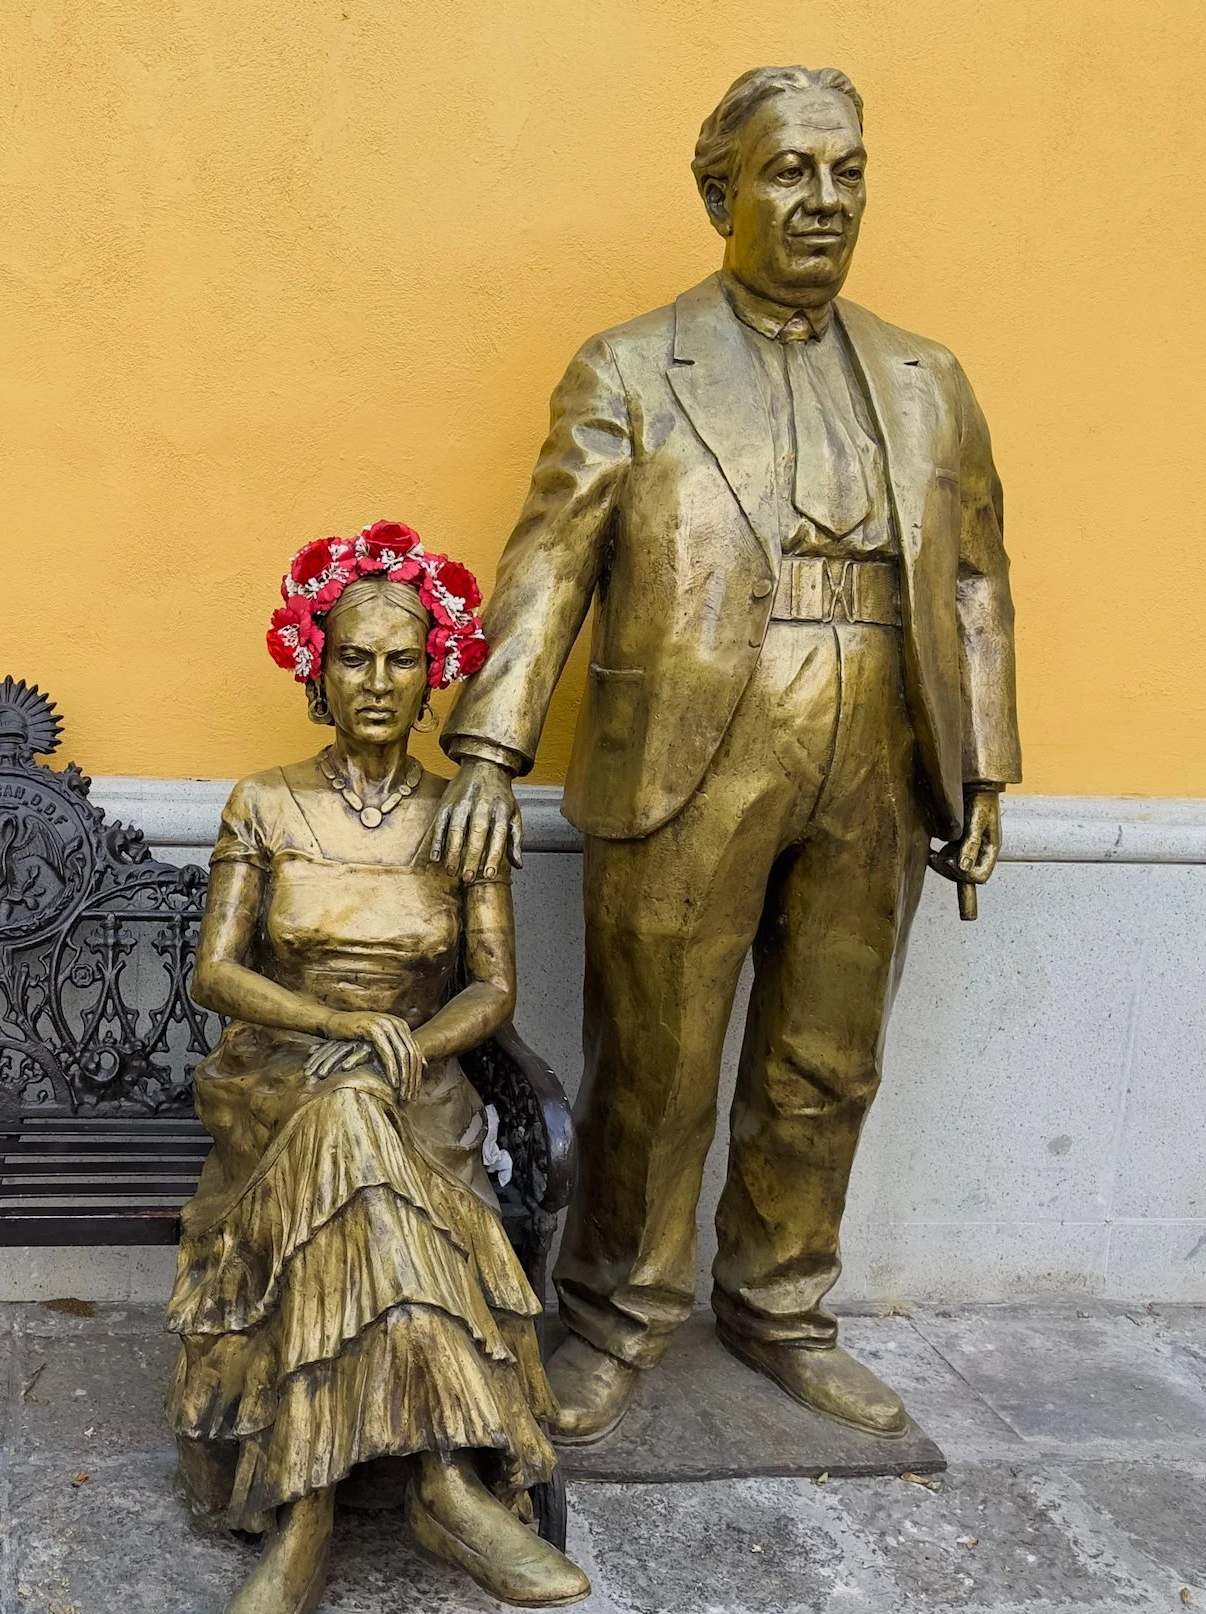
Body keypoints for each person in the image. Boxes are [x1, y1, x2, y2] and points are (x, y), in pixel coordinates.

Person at [432, 66, 1020, 1443]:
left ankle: (781, 1304)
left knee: (828, 1054)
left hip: (880, 732)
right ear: (723, 193)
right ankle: (618, 1311)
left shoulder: (932, 378)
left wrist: (982, 763)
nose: (823, 200)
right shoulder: (632, 365)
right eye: (789, 171)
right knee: (657, 1052)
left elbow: (980, 576)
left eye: (847, 172)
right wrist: (487, 749)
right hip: (693, 742)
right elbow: (551, 563)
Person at [169, 521, 587, 1614]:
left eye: (399, 662)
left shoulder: (465, 815)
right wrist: (337, 1030)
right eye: (351, 658)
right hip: (276, 1075)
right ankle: (410, 1495)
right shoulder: (263, 801)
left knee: (361, 1122)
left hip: (412, 1081)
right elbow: (216, 973)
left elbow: (492, 989)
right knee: (341, 1116)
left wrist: (398, 1047)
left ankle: (328, 1511)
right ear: (315, 667)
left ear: (433, 673)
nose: (375, 682)